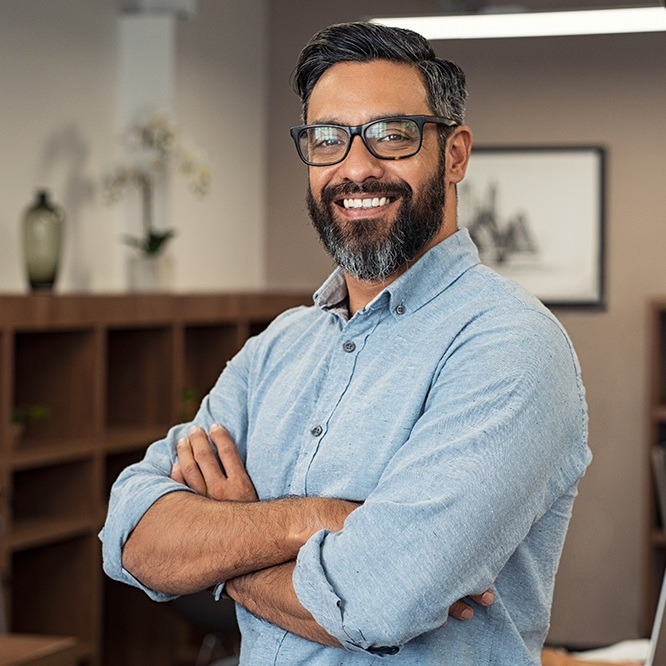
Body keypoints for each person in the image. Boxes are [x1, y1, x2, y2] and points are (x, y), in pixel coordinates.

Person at [100, 21, 591, 665]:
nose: (356, 168)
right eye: (328, 139)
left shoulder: (511, 347)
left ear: (454, 153)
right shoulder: (278, 349)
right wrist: (315, 518)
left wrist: (221, 544)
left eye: (392, 135)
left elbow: (375, 603)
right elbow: (130, 536)